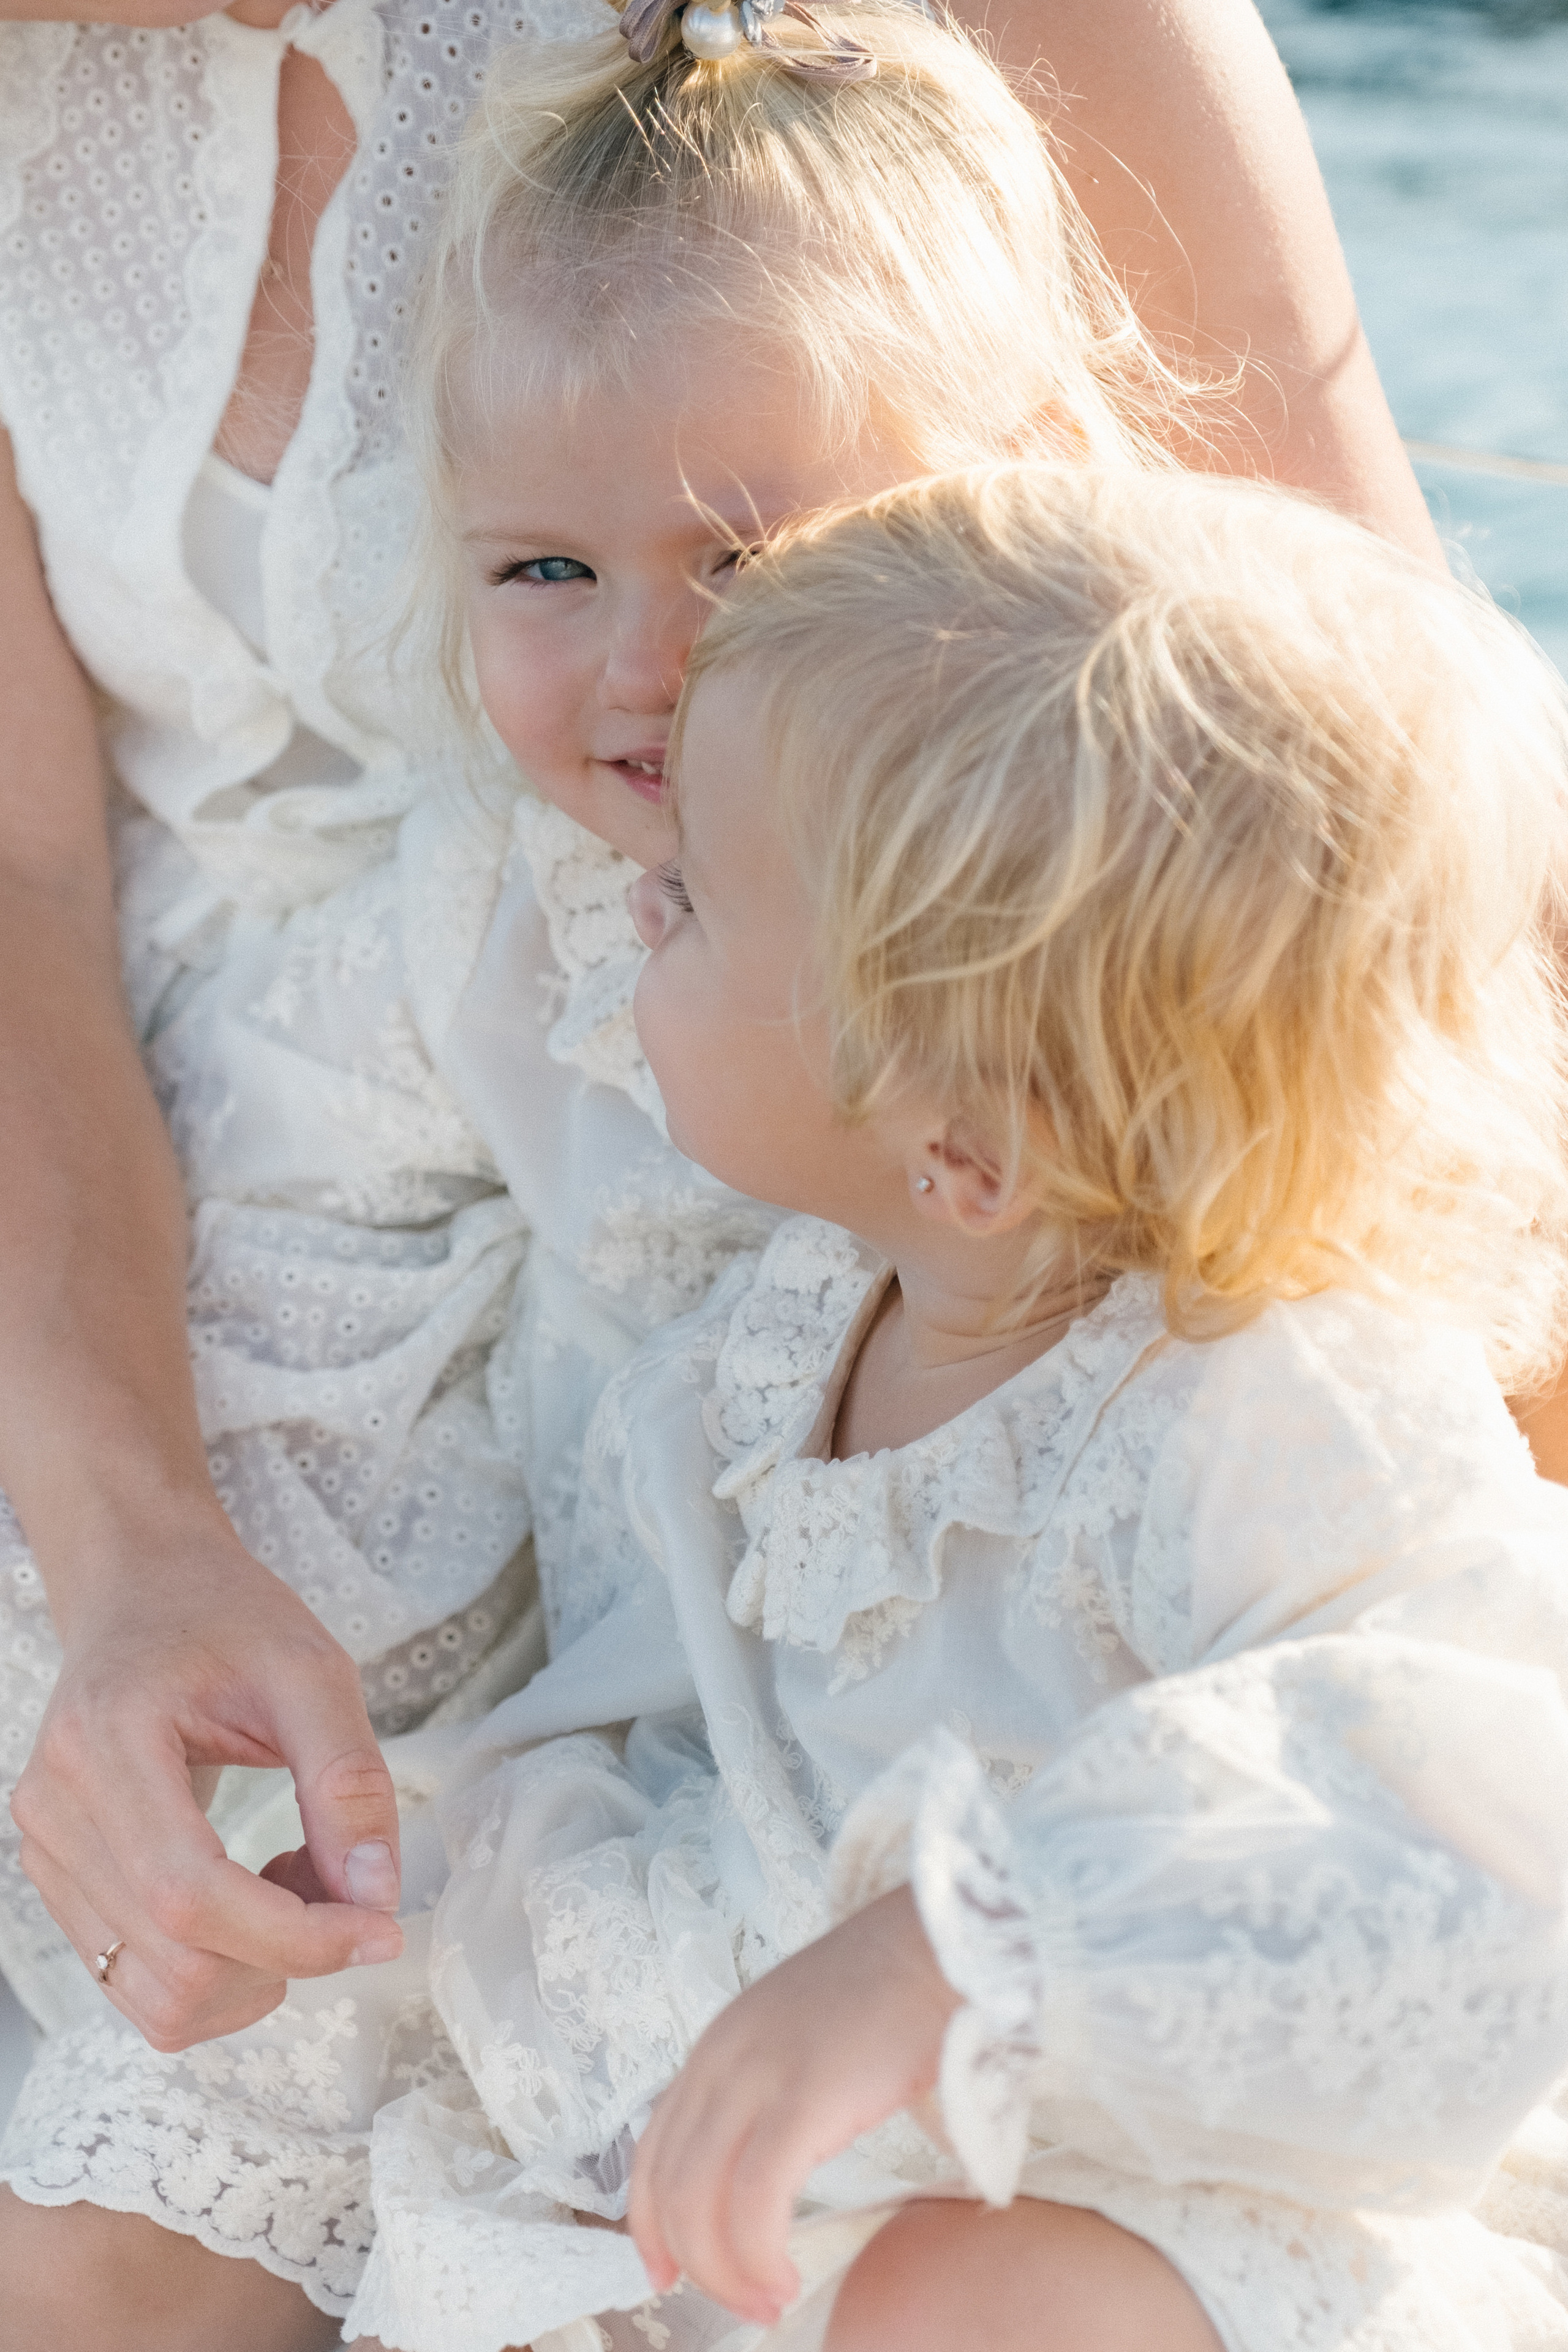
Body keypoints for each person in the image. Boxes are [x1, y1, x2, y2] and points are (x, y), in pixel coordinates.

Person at [0, 5, 1445, 2342]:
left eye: (744, 557)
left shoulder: (973, 1214)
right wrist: (136, 1538)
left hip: (902, 1319)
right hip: (175, 1316)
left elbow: (1373, 766)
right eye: (546, 570)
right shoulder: (532, 1026)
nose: (644, 656)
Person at [341, 459, 1568, 2352]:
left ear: (961, 1150)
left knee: (967, 2304)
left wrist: (973, 1950)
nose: (629, 922)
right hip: (873, 2173)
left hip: (1217, 2227)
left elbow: (1470, 1804)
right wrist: (412, 1874)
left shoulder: (1267, 1404)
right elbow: (692, 1731)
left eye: (685, 911)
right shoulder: (791, 1340)